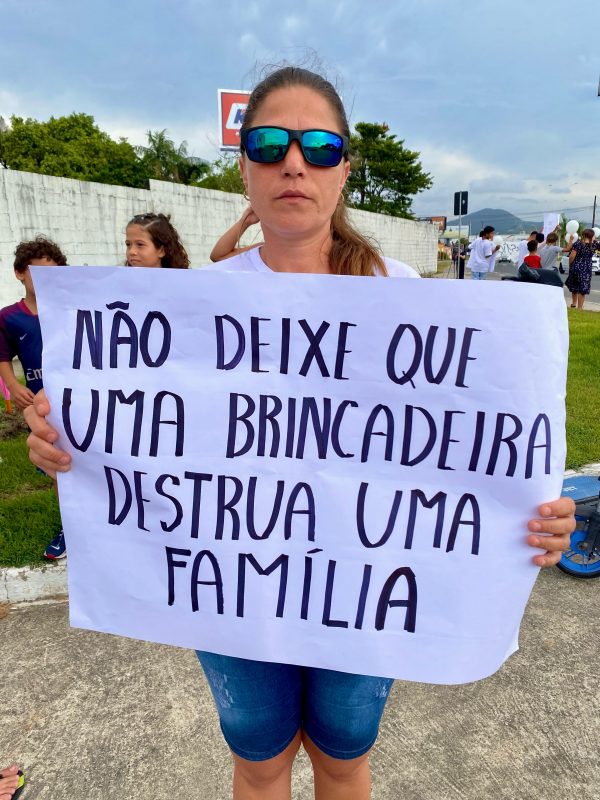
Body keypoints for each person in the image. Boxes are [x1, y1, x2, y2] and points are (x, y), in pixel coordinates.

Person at [24, 66, 575, 800]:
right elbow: (136, 432)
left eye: (319, 145)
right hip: (232, 586)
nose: (294, 161)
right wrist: (65, 438)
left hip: (364, 583)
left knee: (344, 755)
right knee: (258, 759)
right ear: (244, 165)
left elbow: (469, 450)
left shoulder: (408, 302)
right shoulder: (193, 307)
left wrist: (535, 515)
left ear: (345, 167)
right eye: (269, 142)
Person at [0, 236, 67, 559]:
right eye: (36, 273)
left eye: (52, 274)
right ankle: (69, 525)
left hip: (77, 401)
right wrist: (13, 386)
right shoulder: (9, 317)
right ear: (19, 274)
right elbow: (3, 356)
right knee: (58, 467)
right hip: (43, 407)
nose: (45, 281)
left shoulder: (72, 310)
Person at [125, 212, 190, 268]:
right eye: (128, 244)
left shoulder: (179, 280)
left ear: (161, 251)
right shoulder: (120, 280)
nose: (131, 252)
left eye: (140, 244)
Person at [565, 228, 600, 310]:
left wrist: (570, 264)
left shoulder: (578, 244)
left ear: (584, 235)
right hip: (586, 268)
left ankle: (573, 304)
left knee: (574, 287)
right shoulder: (594, 244)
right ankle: (580, 308)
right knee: (582, 289)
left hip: (575, 266)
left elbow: (572, 256)